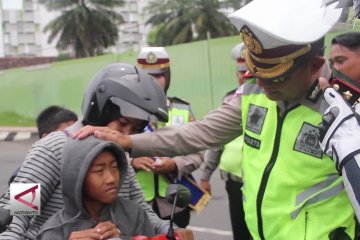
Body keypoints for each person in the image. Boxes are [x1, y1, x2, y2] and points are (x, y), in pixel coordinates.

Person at [72, 0, 358, 239]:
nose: (264, 85)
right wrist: (129, 142)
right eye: (256, 73)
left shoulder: (346, 110)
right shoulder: (253, 92)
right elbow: (201, 133)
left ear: (315, 66)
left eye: (276, 76)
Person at [0, 63, 193, 240]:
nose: (126, 136)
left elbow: (142, 211)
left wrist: (172, 231)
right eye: (123, 124)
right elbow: (14, 221)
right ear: (100, 112)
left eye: (135, 130)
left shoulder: (117, 154)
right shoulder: (52, 149)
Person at [135, 47, 204, 228]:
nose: (154, 82)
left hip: (175, 202)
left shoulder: (183, 110)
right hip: (138, 202)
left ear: (168, 76)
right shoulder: (127, 112)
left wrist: (174, 165)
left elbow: (197, 155)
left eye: (159, 75)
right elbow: (114, 149)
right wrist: (132, 161)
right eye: (148, 76)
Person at [38, 136, 155, 239]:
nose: (111, 179)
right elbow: (20, 211)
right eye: (99, 170)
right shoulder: (54, 230)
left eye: (114, 167)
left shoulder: (134, 214)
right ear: (78, 178)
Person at [199, 42, 251, 240]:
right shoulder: (229, 100)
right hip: (234, 183)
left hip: (263, 182)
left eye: (249, 71)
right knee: (240, 234)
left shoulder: (272, 98)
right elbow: (215, 140)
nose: (245, 76)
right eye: (241, 71)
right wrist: (205, 176)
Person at [7, 105, 78, 185]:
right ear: (45, 138)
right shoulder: (30, 174)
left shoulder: (79, 168)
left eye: (77, 133)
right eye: (66, 135)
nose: (75, 140)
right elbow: (23, 198)